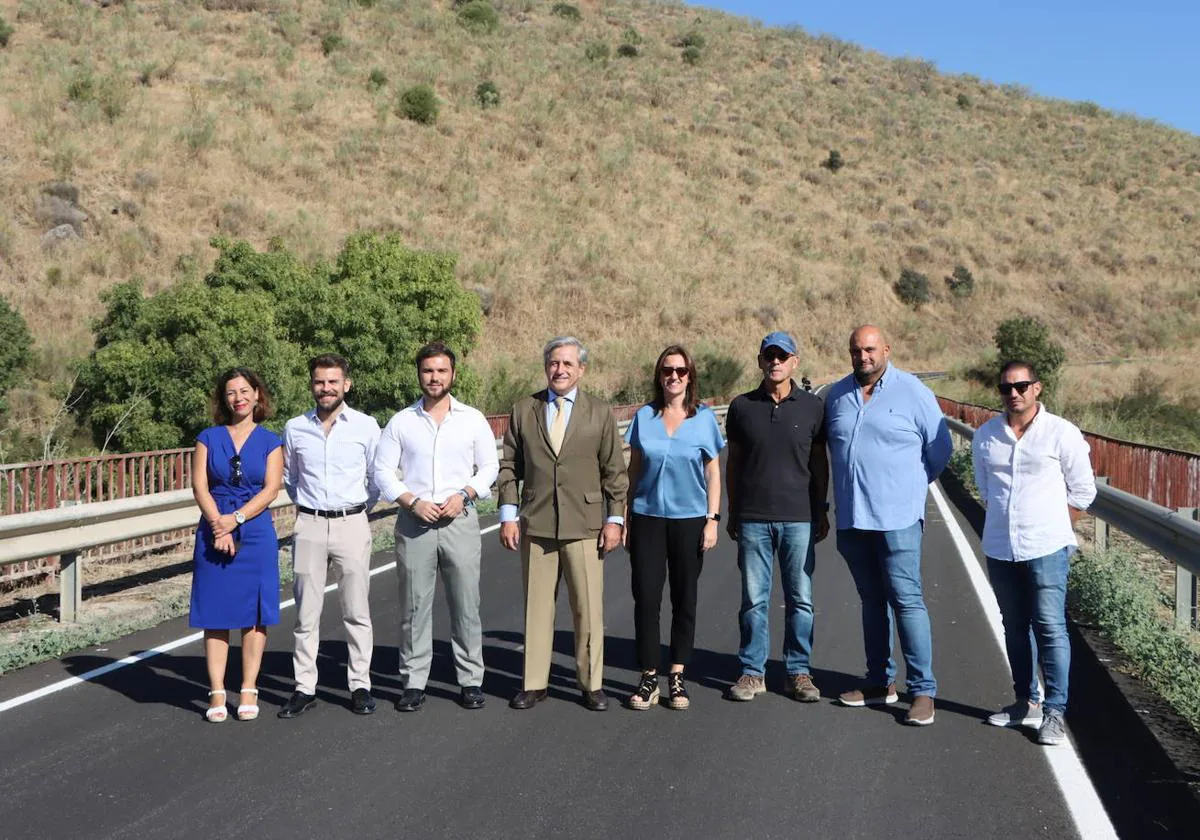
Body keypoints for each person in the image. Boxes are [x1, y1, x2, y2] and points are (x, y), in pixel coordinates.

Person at [825, 325, 951, 726]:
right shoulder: (837, 395)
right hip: (853, 518)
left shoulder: (913, 392)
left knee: (907, 600)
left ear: (886, 350)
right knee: (871, 602)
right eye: (856, 350)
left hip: (897, 519)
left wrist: (907, 488)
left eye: (870, 349)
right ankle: (880, 680)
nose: (863, 356)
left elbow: (940, 450)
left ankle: (922, 690)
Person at [498, 336, 628, 711]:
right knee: (536, 607)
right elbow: (509, 467)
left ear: (581, 369)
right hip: (536, 524)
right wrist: (508, 514)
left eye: (568, 364)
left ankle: (591, 683)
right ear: (546, 366)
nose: (560, 370)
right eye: (555, 363)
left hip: (586, 525)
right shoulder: (524, 409)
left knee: (588, 608)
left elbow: (615, 473)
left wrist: (614, 519)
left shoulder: (600, 412)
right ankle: (534, 683)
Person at [973, 361, 1096, 746]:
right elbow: (986, 489)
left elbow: (1083, 491)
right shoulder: (986, 436)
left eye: (1022, 386)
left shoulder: (1061, 433)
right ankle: (1026, 701)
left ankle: (1055, 712)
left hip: (1047, 547)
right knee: (1014, 626)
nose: (1014, 393)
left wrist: (1056, 527)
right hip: (1000, 546)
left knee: (1050, 626)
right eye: (1006, 387)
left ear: (1037, 388)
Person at [374, 342, 499, 711]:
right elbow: (382, 470)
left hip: (459, 518)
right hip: (415, 522)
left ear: (453, 374)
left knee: (465, 604)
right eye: (428, 370)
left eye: (441, 370)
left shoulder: (472, 419)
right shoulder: (401, 421)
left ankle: (471, 680)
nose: (435, 377)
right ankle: (414, 681)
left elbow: (489, 466)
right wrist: (411, 500)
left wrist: (465, 494)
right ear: (419, 374)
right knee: (414, 606)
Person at [724, 332, 829, 703]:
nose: (776, 362)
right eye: (769, 356)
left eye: (782, 356)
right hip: (753, 517)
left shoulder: (813, 408)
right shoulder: (741, 407)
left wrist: (821, 511)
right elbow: (733, 464)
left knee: (801, 598)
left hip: (799, 517)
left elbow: (819, 463)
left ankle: (798, 671)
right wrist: (732, 511)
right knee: (754, 599)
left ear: (794, 362)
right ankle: (753, 672)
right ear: (760, 361)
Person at [278, 354, 381, 719]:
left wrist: (355, 511)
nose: (326, 388)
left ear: (346, 385)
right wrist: (311, 511)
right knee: (306, 613)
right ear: (312, 385)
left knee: (357, 611)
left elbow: (375, 478)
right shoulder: (294, 428)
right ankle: (304, 688)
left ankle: (360, 685)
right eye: (320, 382)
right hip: (308, 527)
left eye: (333, 382)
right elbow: (290, 479)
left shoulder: (366, 426)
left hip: (352, 524)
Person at [623, 345, 725, 710]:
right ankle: (649, 676)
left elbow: (713, 471)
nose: (674, 377)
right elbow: (633, 470)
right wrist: (624, 517)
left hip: (690, 520)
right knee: (646, 597)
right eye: (668, 370)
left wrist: (712, 519)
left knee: (685, 598)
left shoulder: (704, 419)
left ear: (690, 376)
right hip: (647, 517)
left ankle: (677, 675)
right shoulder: (643, 418)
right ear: (659, 375)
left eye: (681, 371)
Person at [190, 367, 284, 723]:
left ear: (258, 395)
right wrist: (219, 525)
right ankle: (216, 689)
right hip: (213, 529)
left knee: (255, 615)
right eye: (231, 392)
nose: (239, 397)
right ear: (223, 399)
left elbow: (271, 490)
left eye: (245, 390)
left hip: (255, 532)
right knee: (214, 613)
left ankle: (248, 687)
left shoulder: (271, 441)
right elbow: (200, 486)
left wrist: (237, 520)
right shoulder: (207, 437)